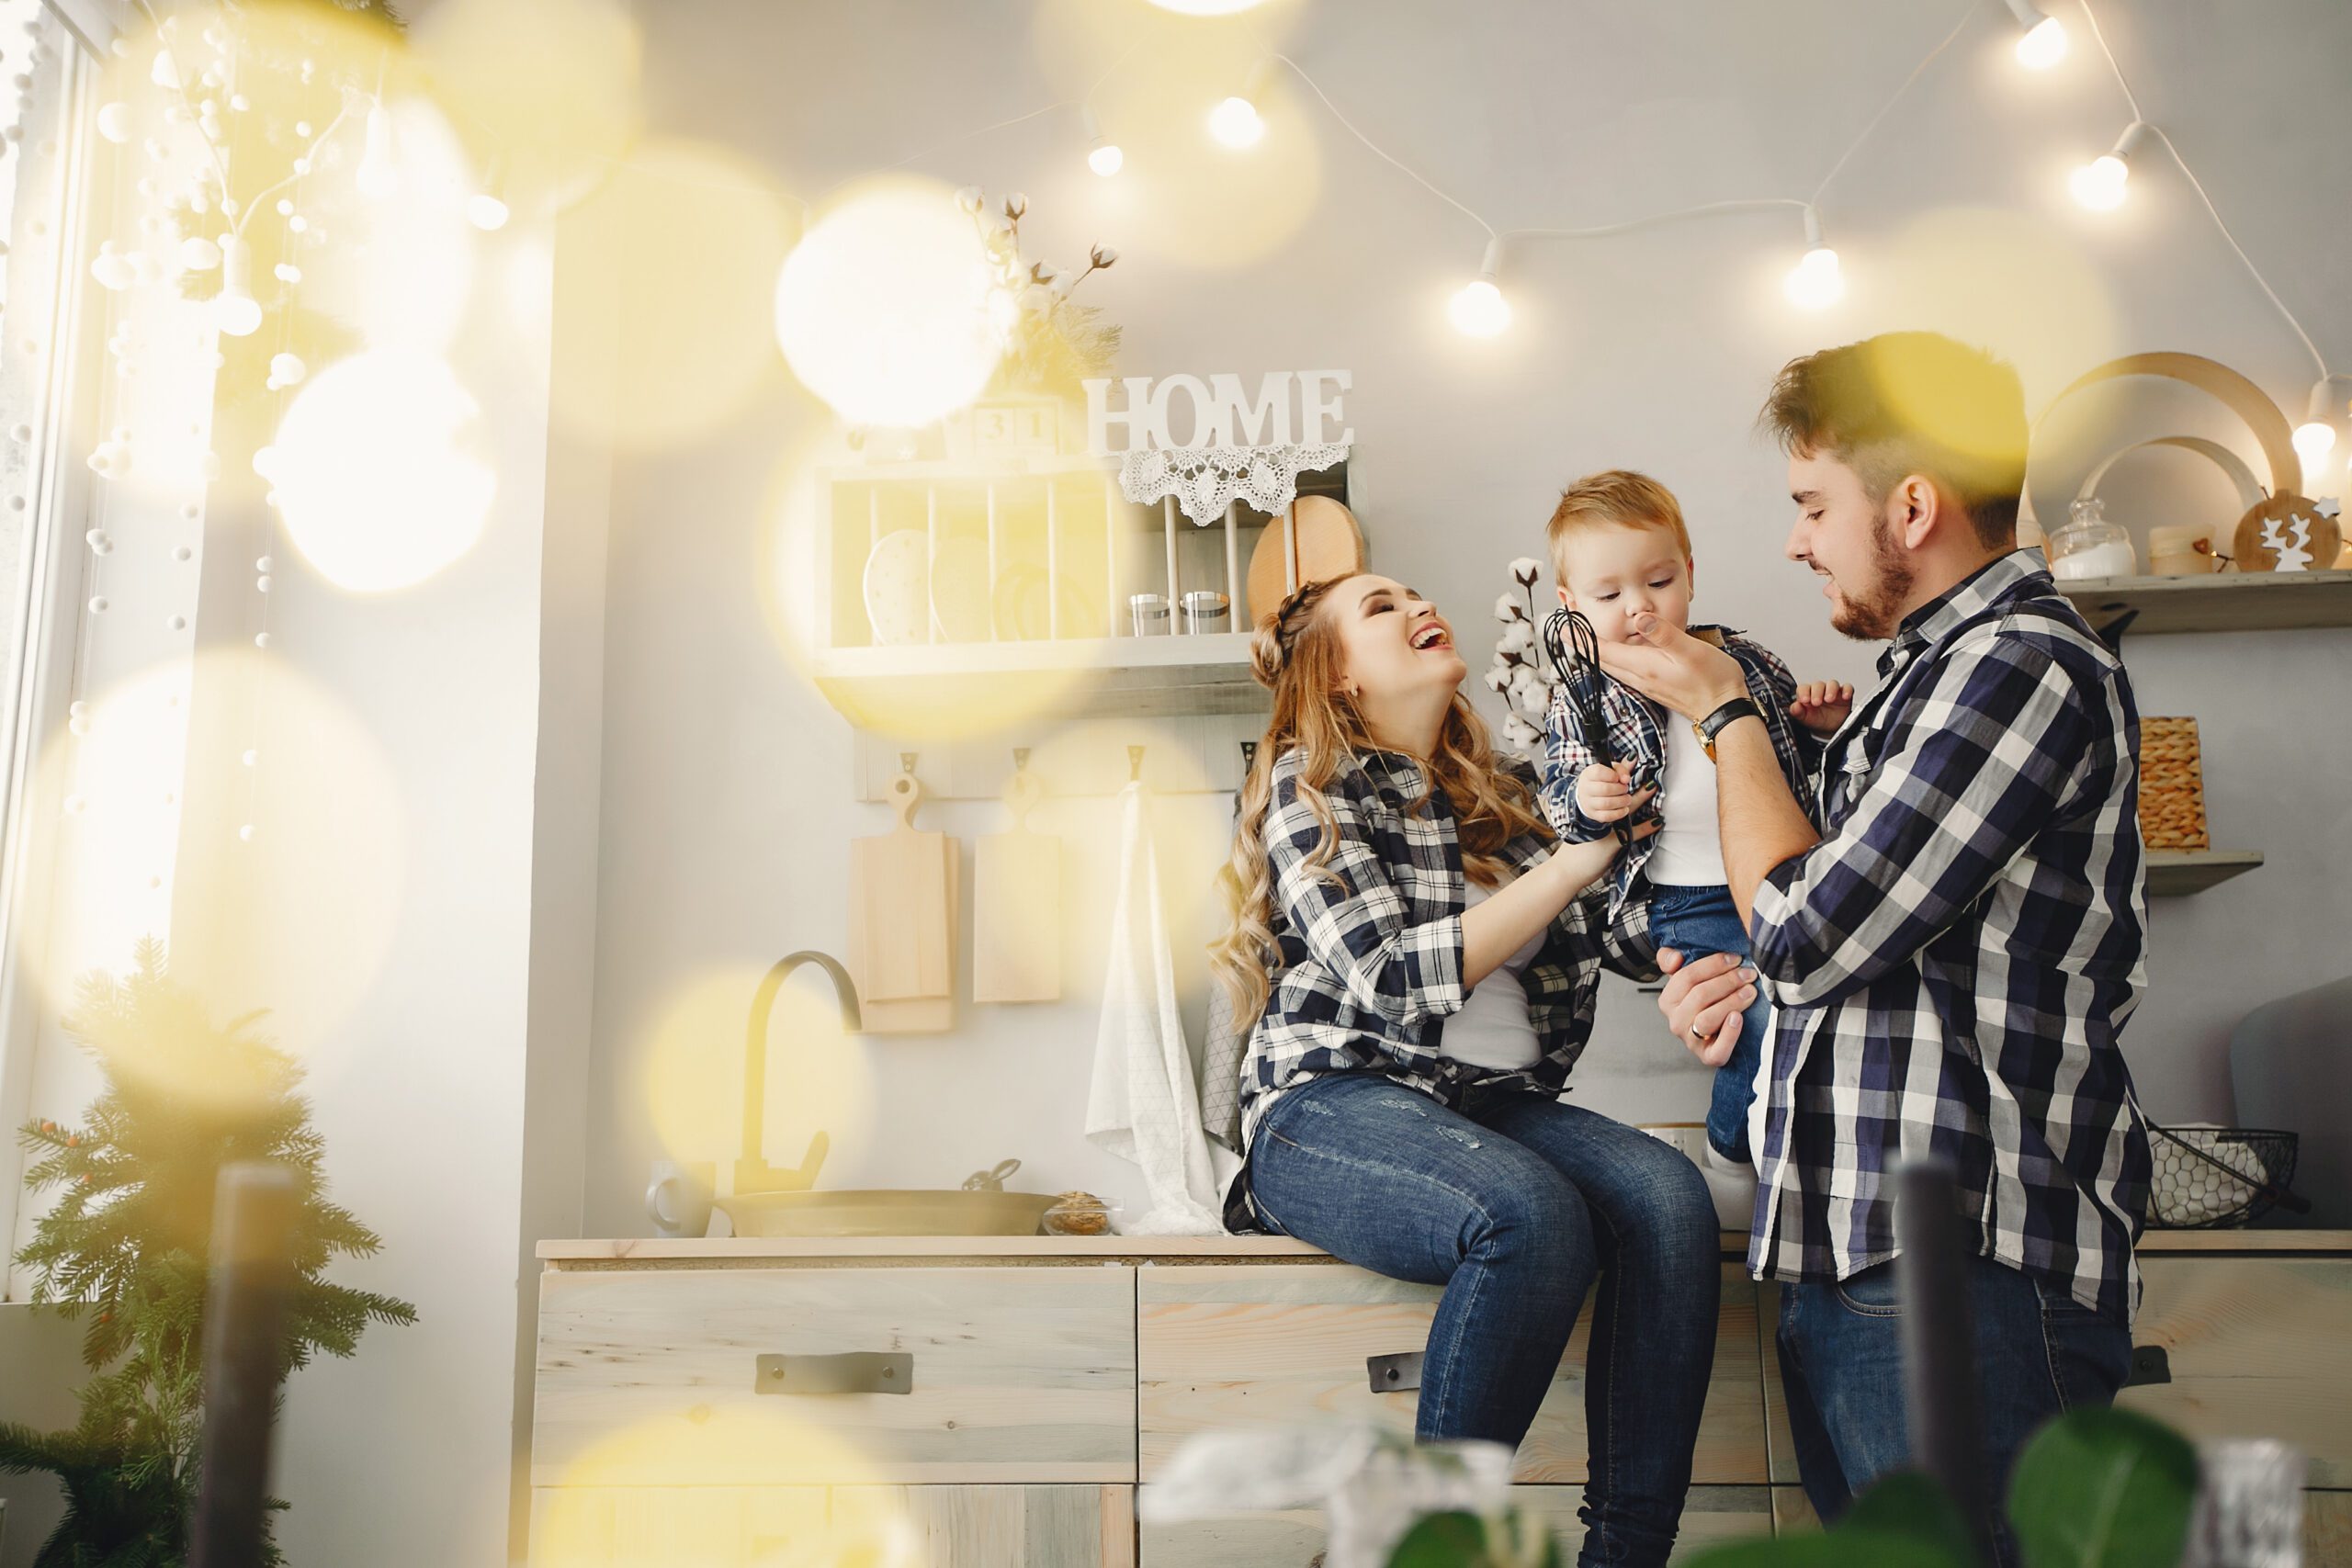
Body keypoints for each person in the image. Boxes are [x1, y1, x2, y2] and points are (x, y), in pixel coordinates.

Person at [1600, 333, 2151, 1565]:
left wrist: (1723, 707)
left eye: (1812, 504)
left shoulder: (2020, 666)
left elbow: (1803, 927)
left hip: (1966, 1275)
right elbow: (1842, 956)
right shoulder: (1915, 693)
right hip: (1863, 1261)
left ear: (1911, 505)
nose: (1798, 541)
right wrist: (1750, 999)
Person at [1213, 570, 1721, 1568]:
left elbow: (1619, 934)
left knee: (1669, 1199)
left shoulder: (1514, 798)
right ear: (1338, 677)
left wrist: (1698, 948)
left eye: (1412, 591)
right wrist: (1578, 859)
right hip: (1330, 1103)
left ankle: (1625, 1556)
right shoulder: (1308, 790)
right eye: (1376, 607)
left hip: (1488, 1109)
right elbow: (1395, 975)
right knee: (1526, 1215)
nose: (1413, 605)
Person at [1533, 468, 1853, 1168]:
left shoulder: (1742, 661)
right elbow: (1554, 790)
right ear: (1569, 603)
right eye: (1609, 594)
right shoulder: (1583, 694)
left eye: (1658, 582)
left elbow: (1796, 766)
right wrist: (1587, 799)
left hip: (1780, 879)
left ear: (1690, 573)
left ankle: (1795, 1155)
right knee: (1755, 1019)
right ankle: (1733, 1144)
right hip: (1687, 899)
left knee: (1812, 1016)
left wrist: (1822, 728)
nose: (1638, 608)